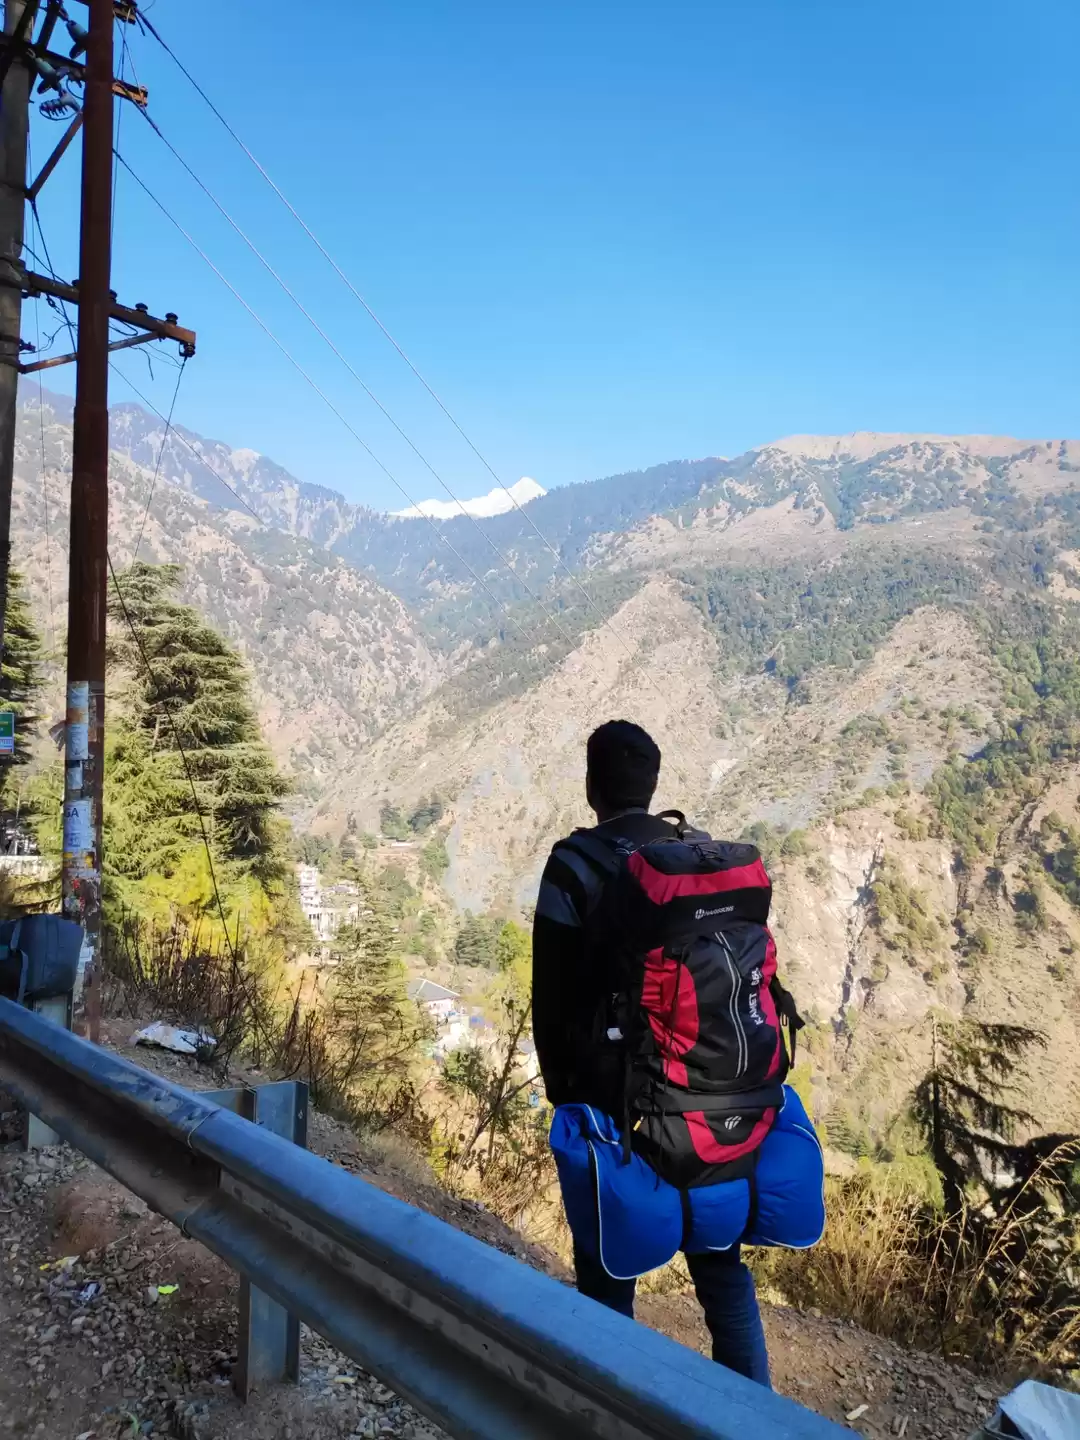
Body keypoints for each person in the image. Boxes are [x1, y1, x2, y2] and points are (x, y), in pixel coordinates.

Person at [532, 719, 773, 1386]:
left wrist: (566, 1099)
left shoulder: (573, 865)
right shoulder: (697, 859)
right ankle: (753, 1420)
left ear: (591, 786)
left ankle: (609, 1409)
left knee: (609, 1270)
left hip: (616, 1107)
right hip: (710, 1098)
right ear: (654, 783)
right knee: (722, 1271)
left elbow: (550, 999)